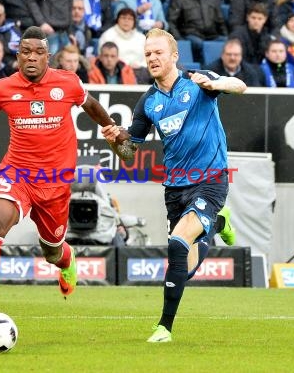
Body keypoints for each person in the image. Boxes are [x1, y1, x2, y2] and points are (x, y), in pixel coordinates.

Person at [0, 26, 128, 332]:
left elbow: (92, 106)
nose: (32, 57)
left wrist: (115, 132)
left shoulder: (67, 83)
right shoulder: (3, 88)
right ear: (17, 55)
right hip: (17, 172)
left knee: (52, 251)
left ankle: (67, 261)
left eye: (38, 52)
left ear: (47, 56)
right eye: (26, 51)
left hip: (55, 182)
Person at [101, 28, 243, 342]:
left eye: (158, 53)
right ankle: (218, 224)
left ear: (174, 55)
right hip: (175, 189)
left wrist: (216, 83)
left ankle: (164, 327)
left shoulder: (197, 81)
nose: (152, 58)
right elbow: (129, 153)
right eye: (148, 54)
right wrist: (115, 143)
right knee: (186, 266)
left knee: (177, 243)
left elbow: (240, 85)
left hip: (210, 180)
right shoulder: (148, 103)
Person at [166, 0, 228, 64]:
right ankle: (203, 69)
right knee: (198, 44)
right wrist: (180, 40)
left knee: (227, 42)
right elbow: (171, 22)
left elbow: (221, 22)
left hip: (212, 35)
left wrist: (226, 36)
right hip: (191, 35)